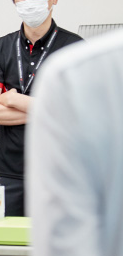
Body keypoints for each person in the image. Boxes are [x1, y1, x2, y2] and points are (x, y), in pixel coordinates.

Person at [0, 0, 83, 216]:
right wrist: (50, 110)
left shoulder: (75, 48)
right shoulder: (0, 48)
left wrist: (14, 100)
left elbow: (77, 115)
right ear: (14, 0)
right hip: (7, 172)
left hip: (59, 174)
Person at [26, 29, 123, 255]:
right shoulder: (77, 75)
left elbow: (64, 239)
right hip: (10, 164)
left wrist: (19, 102)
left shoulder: (76, 70)